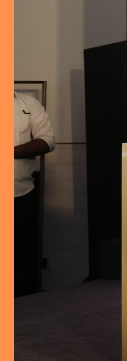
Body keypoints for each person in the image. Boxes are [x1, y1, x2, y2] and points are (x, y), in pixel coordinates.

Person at [14, 91, 55, 297]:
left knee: (20, 260)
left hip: (19, 195)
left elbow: (47, 141)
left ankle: (20, 310)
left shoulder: (29, 103)